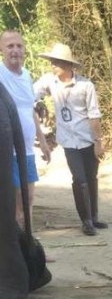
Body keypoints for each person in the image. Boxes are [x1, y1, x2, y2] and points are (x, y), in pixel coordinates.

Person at [34, 43, 106, 236]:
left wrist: (98, 142)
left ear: (68, 65)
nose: (53, 66)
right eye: (52, 62)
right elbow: (31, 93)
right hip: (68, 140)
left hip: (88, 139)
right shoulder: (50, 81)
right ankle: (86, 220)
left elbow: (94, 115)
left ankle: (95, 216)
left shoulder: (85, 86)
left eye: (56, 62)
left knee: (91, 178)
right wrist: (37, 102)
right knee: (79, 179)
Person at [0, 29, 51, 225]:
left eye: (19, 46)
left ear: (24, 49)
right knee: (15, 202)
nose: (15, 50)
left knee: (29, 199)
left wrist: (43, 142)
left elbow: (30, 110)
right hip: (7, 151)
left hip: (27, 150)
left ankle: (29, 249)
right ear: (1, 49)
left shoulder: (27, 76)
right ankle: (15, 250)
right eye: (10, 46)